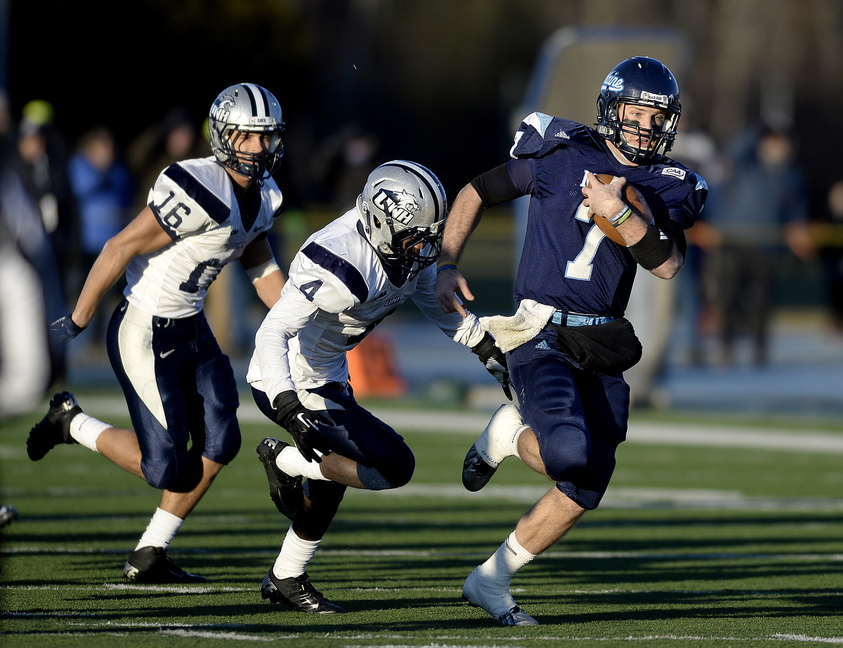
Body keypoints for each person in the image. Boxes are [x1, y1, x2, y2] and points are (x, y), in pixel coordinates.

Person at [435, 56, 708, 626]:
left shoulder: (668, 183)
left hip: (602, 338)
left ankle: (491, 582)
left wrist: (620, 212)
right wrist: (445, 262)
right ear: (611, 109)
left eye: (658, 117)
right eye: (637, 112)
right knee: (566, 452)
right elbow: (475, 191)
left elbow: (666, 264)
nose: (647, 126)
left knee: (587, 483)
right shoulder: (560, 154)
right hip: (540, 329)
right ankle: (509, 434)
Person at [26, 83, 288, 583]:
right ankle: (72, 423)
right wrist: (77, 319)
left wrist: (301, 318)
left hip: (192, 326)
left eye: (266, 137)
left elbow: (258, 257)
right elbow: (118, 246)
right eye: (248, 136)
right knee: (165, 468)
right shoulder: (199, 187)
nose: (259, 147)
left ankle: (149, 553)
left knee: (222, 441)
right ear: (224, 135)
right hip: (144, 326)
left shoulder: (266, 196)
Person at [246, 160, 512, 613]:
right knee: (393, 465)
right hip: (290, 382)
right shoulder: (337, 262)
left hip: (330, 376)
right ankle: (286, 459)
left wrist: (486, 349)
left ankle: (285, 577)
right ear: (380, 223)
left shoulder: (401, 249)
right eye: (416, 236)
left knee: (332, 482)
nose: (425, 247)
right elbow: (271, 332)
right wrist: (289, 405)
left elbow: (431, 295)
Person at [703, 124, 813, 367]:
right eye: (771, 142)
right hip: (733, 242)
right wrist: (763, 128)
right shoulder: (745, 166)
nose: (777, 147)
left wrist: (798, 231)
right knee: (728, 297)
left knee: (761, 300)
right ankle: (726, 346)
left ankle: (759, 349)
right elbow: (735, 150)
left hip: (767, 245)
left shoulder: (792, 175)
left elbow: (796, 210)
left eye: (781, 142)